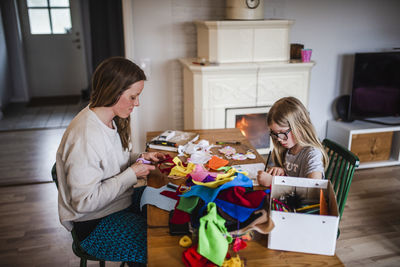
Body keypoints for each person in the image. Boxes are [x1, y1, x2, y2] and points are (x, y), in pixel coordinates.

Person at [56, 57, 165, 266]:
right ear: (114, 91)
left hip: (117, 202)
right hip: (94, 224)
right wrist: (132, 174)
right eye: (133, 97)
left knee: (167, 202)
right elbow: (84, 201)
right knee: (158, 244)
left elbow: (109, 162)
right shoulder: (85, 136)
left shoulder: (107, 118)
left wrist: (140, 158)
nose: (137, 103)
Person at [257, 97, 328, 187]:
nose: (279, 139)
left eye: (282, 132)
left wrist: (274, 181)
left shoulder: (313, 154)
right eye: (275, 133)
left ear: (299, 126)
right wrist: (282, 173)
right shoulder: (288, 149)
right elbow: (292, 177)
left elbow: (315, 187)